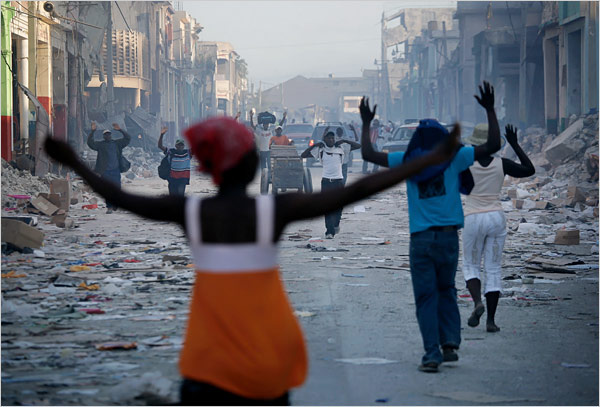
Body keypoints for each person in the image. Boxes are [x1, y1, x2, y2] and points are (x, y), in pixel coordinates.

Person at [44, 98, 459, 405]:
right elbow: (359, 189)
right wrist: (431, 159)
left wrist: (75, 162)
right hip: (269, 363)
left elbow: (123, 196)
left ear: (206, 168)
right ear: (253, 165)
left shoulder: (191, 212)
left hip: (206, 364)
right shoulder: (271, 211)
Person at [361, 81, 502, 373]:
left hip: (421, 240)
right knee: (447, 289)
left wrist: (365, 124)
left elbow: (368, 155)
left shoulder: (406, 161)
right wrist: (489, 109)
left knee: (426, 297)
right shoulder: (454, 157)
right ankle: (450, 343)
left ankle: (431, 354)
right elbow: (493, 146)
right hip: (449, 239)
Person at [462, 123, 535, 333]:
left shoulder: (466, 164)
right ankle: (491, 322)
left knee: (471, 265)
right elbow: (529, 170)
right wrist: (515, 144)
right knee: (493, 268)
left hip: (473, 217)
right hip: (496, 216)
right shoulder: (501, 163)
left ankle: (477, 302)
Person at [301, 126, 361, 238]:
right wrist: (315, 145)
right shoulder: (321, 150)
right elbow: (304, 155)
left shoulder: (341, 149)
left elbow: (358, 146)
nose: (331, 140)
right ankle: (329, 231)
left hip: (338, 181)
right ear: (325, 140)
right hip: (326, 182)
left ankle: (336, 224)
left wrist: (344, 141)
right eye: (329, 139)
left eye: (333, 139)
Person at [87, 121, 131, 214]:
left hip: (115, 171)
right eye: (105, 135)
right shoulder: (100, 145)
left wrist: (120, 130)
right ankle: (109, 207)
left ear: (111, 135)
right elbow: (90, 143)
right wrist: (92, 131)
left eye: (108, 134)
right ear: (104, 136)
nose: (107, 136)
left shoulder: (117, 144)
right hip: (105, 171)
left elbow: (127, 138)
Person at [250, 111, 287, 175]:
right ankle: (264, 176)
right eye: (265, 125)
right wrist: (251, 116)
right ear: (263, 125)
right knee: (263, 165)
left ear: (268, 125)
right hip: (262, 151)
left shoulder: (271, 130)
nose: (266, 126)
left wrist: (284, 117)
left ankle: (270, 176)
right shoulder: (259, 131)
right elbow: (252, 126)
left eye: (267, 125)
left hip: (269, 151)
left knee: (270, 165)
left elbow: (279, 125)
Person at [158, 126, 191, 197]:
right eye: (179, 145)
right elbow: (160, 146)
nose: (180, 146)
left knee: (180, 197)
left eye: (182, 145)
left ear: (184, 146)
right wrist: (162, 135)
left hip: (182, 180)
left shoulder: (188, 153)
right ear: (176, 146)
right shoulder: (171, 152)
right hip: (172, 179)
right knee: (173, 197)